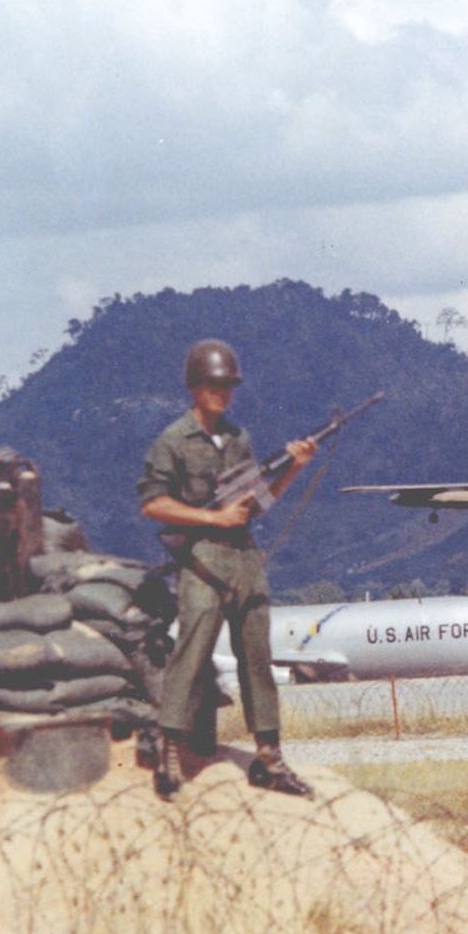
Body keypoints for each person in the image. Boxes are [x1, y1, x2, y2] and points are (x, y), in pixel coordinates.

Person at [137, 338, 317, 801]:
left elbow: (256, 502)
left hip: (243, 559)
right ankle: (169, 752)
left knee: (257, 659)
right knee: (190, 658)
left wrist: (293, 468)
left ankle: (269, 756)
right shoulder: (173, 441)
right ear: (195, 386)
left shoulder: (239, 440)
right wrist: (212, 518)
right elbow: (153, 504)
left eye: (228, 385)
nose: (222, 393)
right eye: (214, 385)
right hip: (201, 560)